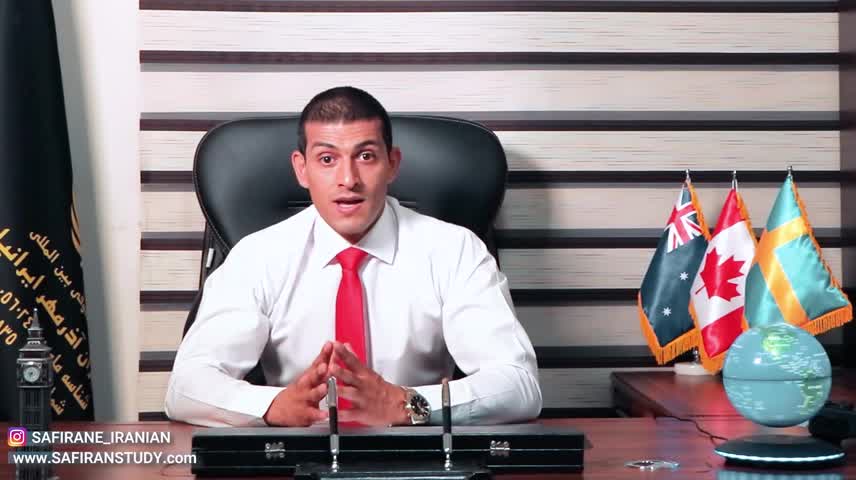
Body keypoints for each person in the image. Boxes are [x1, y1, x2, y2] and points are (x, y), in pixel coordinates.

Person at [164, 86, 542, 428]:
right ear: (302, 169)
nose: (348, 179)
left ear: (392, 164)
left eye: (365, 156)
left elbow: (518, 385)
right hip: (297, 454)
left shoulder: (454, 250)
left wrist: (408, 404)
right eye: (327, 159)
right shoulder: (257, 257)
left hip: (415, 454)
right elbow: (186, 387)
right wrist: (271, 406)